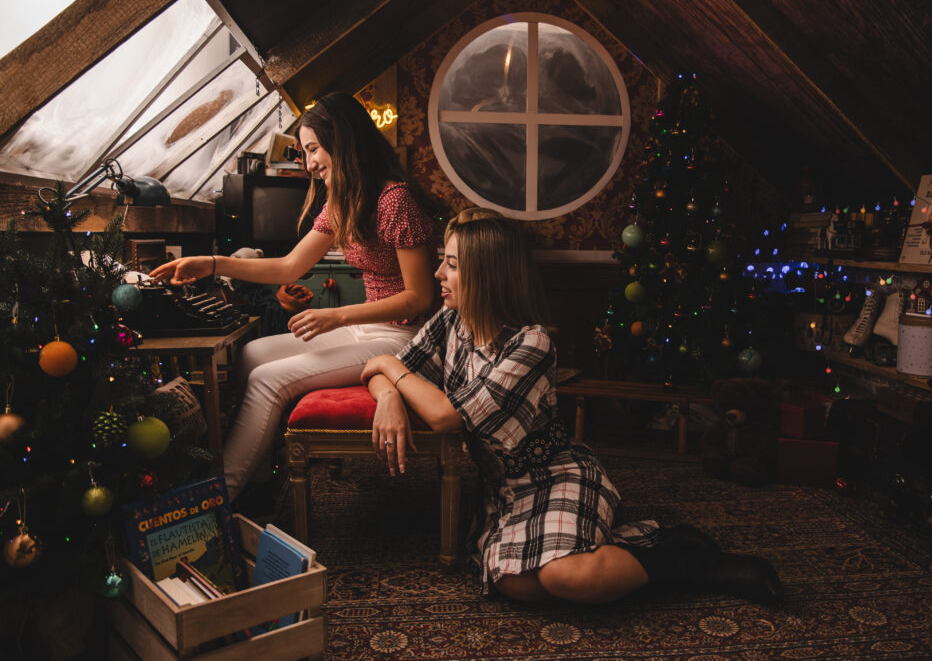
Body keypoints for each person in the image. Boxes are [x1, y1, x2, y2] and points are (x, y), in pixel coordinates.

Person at [360, 209, 784, 605]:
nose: (438, 274)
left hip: (555, 476)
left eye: (451, 264)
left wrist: (385, 364)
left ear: (486, 273)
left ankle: (693, 562)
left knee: (567, 578)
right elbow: (390, 375)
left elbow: (443, 413)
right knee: (516, 584)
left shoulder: (532, 342)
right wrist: (389, 393)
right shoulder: (450, 322)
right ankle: (631, 545)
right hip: (502, 491)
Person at [151, 92, 439, 500]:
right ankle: (263, 477)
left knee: (269, 380)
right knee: (252, 355)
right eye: (305, 152)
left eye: (313, 149)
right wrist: (213, 263)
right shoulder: (342, 201)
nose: (309, 163)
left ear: (342, 142)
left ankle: (219, 501)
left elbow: (420, 299)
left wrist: (336, 316)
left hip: (403, 340)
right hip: (366, 330)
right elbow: (288, 267)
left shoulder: (396, 201)